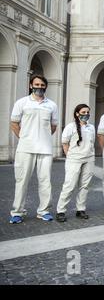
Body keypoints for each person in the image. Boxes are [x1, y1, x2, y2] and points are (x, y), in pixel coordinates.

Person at [9, 74, 58, 224]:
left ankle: (43, 211)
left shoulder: (52, 105)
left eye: (42, 85)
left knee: (45, 181)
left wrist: (42, 137)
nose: (39, 87)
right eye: (37, 84)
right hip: (25, 148)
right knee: (22, 181)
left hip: (45, 149)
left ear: (45, 87)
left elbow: (53, 126)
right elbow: (14, 123)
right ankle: (17, 212)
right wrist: (24, 137)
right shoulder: (22, 102)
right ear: (31, 85)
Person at [56, 104, 95, 222]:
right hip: (74, 159)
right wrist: (69, 156)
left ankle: (80, 209)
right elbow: (64, 143)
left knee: (85, 186)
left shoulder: (91, 127)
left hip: (89, 159)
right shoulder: (70, 127)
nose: (86, 114)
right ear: (77, 114)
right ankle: (61, 211)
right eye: (83, 112)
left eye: (87, 112)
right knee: (69, 185)